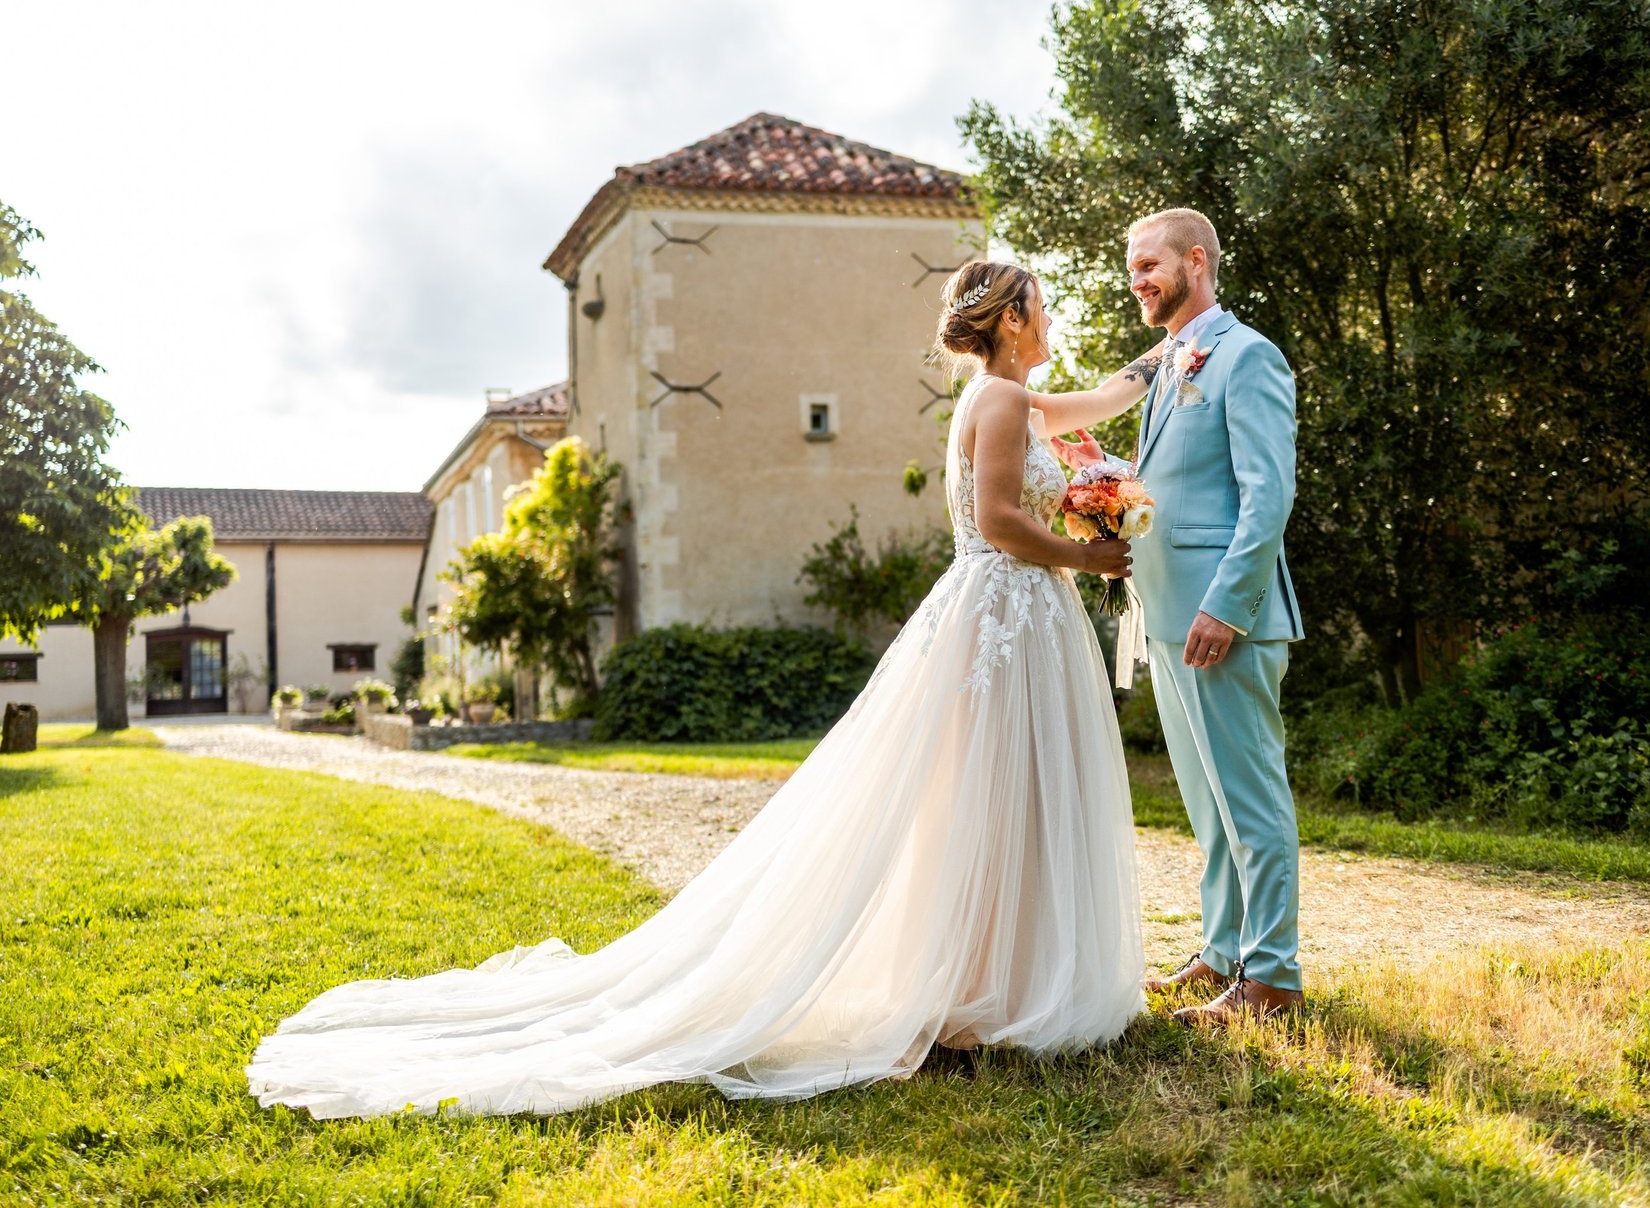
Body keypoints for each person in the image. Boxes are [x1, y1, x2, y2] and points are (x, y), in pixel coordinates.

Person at [246, 260, 1159, 1118]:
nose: (1053, 322)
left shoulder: (1004, 396)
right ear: (1010, 319)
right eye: (1043, 307)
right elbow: (1000, 519)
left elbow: (1097, 400)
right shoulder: (1000, 400)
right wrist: (1086, 552)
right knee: (989, 805)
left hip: (1011, 620)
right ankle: (973, 996)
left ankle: (995, 988)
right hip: (1003, 614)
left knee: (1003, 804)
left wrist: (1161, 363)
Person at [1122, 208, 1306, 1025]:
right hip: (1164, 613)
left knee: (1251, 797)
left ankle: (1271, 977)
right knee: (1209, 803)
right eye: (1132, 270)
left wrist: (1226, 606)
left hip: (1221, 616)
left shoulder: (1249, 356)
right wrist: (1110, 476)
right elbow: (1183, 481)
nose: (1139, 281)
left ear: (1197, 261)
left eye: (1151, 265)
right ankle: (1223, 949)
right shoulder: (1166, 366)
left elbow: (1267, 496)